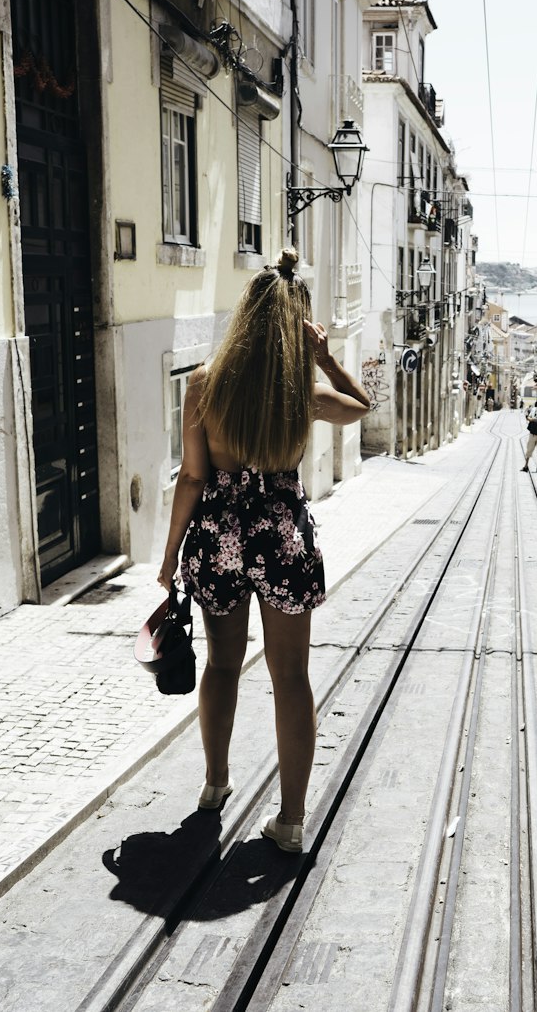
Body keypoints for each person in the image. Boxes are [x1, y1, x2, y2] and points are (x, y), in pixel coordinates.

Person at [158, 247, 370, 853]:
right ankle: (293, 820)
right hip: (281, 539)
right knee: (291, 678)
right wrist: (326, 357)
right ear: (292, 326)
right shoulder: (300, 391)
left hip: (219, 538)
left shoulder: (203, 384)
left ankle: (214, 784)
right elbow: (361, 407)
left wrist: (171, 556)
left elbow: (192, 479)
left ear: (245, 317)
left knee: (222, 665)